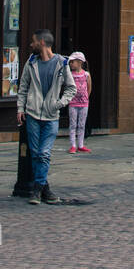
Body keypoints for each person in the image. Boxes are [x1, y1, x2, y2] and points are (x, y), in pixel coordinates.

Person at [17, 29, 77, 204]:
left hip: (51, 116)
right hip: (33, 114)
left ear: (42, 42)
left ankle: (36, 190)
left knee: (44, 153)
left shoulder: (61, 63)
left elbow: (71, 88)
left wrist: (59, 103)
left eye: (33, 41)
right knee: (36, 154)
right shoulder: (31, 62)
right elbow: (23, 87)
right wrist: (20, 109)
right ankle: (45, 189)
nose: (31, 45)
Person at [67, 52, 92, 153]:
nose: (71, 64)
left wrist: (86, 97)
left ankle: (81, 144)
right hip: (73, 103)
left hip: (84, 103)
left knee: (82, 124)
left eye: (72, 62)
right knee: (73, 124)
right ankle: (73, 145)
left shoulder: (86, 74)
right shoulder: (70, 75)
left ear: (80, 62)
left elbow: (89, 87)